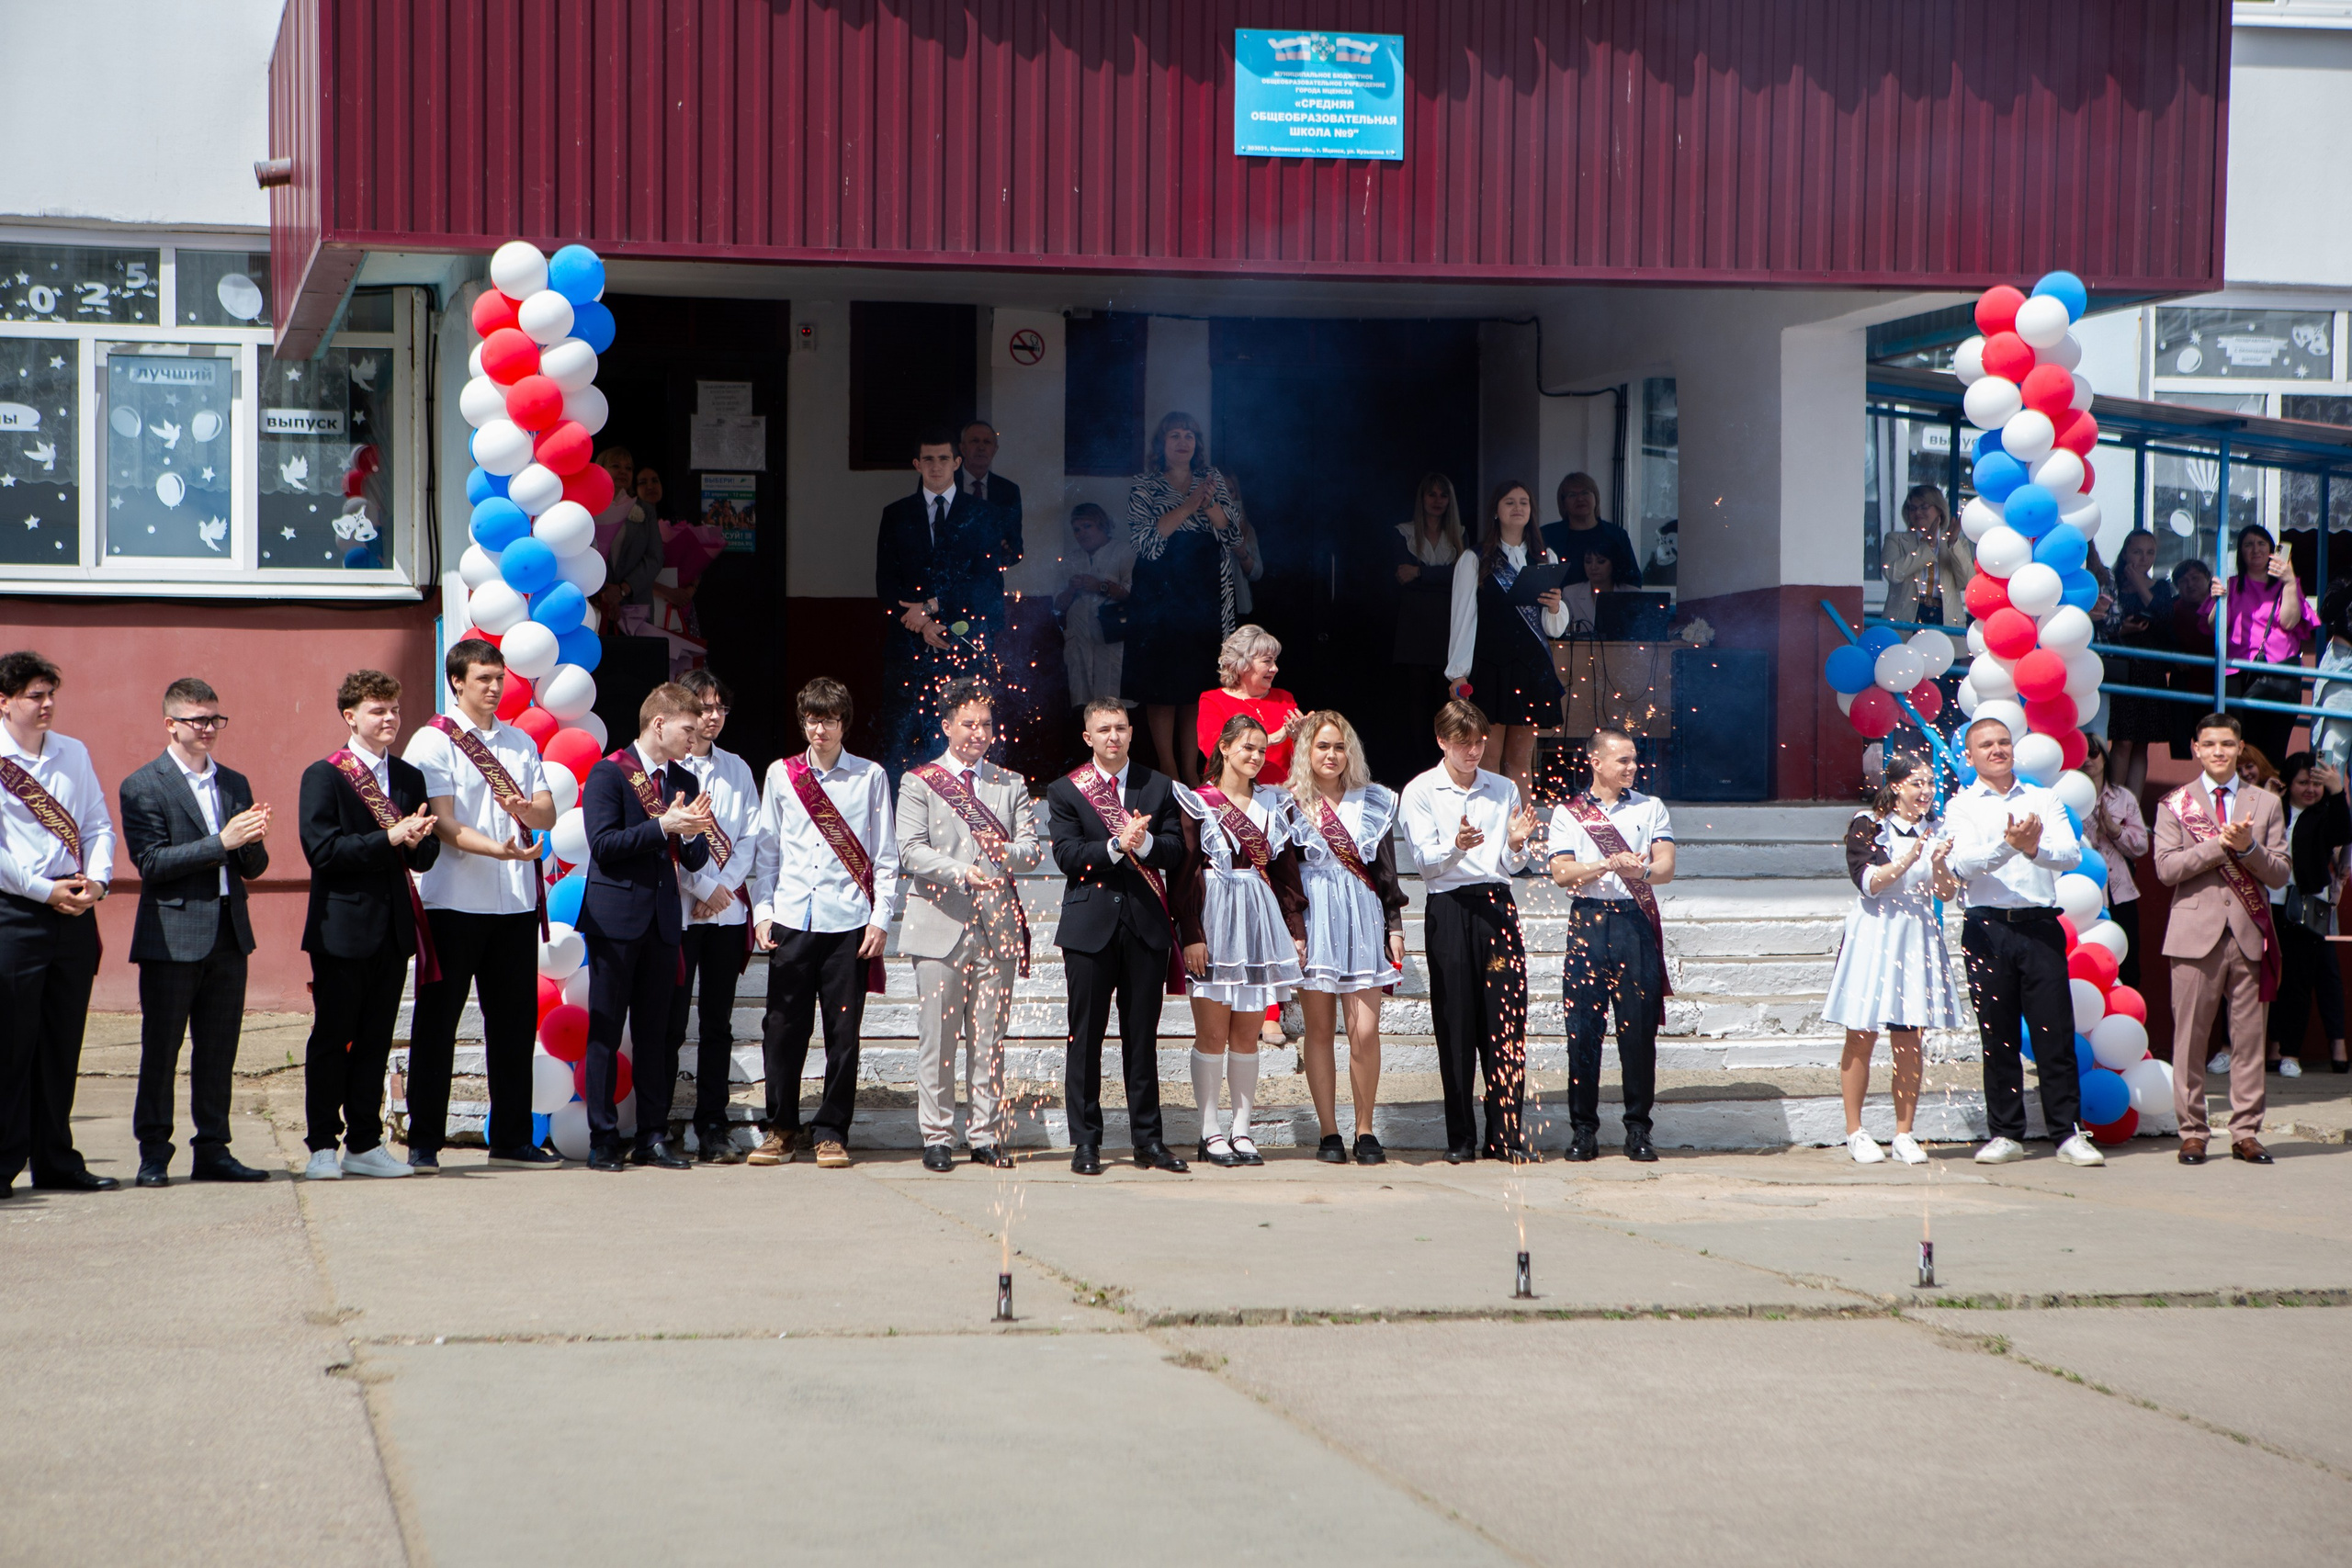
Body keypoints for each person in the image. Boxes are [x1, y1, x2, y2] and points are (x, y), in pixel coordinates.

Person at [401, 639, 560, 1172]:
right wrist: (500, 849)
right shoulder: (433, 740)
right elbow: (442, 822)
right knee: (438, 1022)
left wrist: (528, 813)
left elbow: (547, 812)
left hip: (513, 904)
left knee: (513, 1024)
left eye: (499, 678)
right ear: (456, 682)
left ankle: (512, 1137)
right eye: (482, 679)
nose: (494, 688)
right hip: (453, 902)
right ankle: (425, 1139)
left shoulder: (520, 741)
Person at [120, 677, 274, 1187]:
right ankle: (153, 1154)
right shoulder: (144, 784)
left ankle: (213, 1149)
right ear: (171, 724)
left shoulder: (234, 783)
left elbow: (253, 867)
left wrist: (251, 839)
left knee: (218, 1050)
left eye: (214, 719)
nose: (208, 728)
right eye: (197, 720)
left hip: (229, 932)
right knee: (161, 1049)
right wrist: (221, 841)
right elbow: (151, 862)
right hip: (171, 935)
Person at [748, 678, 897, 1170]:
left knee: (843, 1033)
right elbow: (768, 850)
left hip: (849, 922)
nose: (821, 730)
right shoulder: (781, 774)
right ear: (803, 722)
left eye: (830, 720)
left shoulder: (871, 776)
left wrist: (880, 918)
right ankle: (780, 1128)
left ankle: (831, 1131)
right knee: (782, 1030)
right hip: (792, 918)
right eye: (813, 720)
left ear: (843, 723)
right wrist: (763, 912)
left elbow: (885, 855)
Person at [297, 670, 440, 1181]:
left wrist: (418, 841)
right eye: (378, 711)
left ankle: (364, 1142)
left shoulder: (407, 777)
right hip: (341, 928)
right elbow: (323, 851)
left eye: (395, 710)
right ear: (350, 717)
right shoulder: (325, 774)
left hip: (392, 930)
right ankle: (321, 1145)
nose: (390, 719)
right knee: (333, 1038)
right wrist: (391, 837)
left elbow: (423, 855)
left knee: (377, 1040)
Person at [1945, 716, 2104, 1167]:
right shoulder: (1961, 806)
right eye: (1986, 745)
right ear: (1970, 755)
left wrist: (2033, 848)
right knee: (1997, 1036)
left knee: (2055, 1032)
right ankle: (2006, 1133)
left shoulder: (2042, 797)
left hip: (2039, 929)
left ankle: (2068, 1133)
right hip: (1987, 930)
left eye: (2003, 742)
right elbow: (1962, 865)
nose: (1997, 750)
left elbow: (2069, 853)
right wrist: (2010, 845)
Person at [896, 678, 1041, 1170]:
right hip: (940, 922)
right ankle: (937, 1136)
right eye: (968, 724)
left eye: (986, 724)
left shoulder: (1010, 782)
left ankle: (984, 1135)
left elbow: (1031, 850)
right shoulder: (919, 781)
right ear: (946, 725)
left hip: (996, 927)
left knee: (989, 1040)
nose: (979, 733)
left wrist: (1006, 852)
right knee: (937, 1039)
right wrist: (961, 872)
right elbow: (910, 851)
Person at [1046, 697, 1192, 1176]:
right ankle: (1086, 1143)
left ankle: (1148, 1141)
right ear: (1088, 737)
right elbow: (1068, 856)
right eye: (1105, 729)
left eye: (1122, 728)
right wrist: (1115, 844)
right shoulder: (1066, 789)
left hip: (1145, 926)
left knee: (1142, 1039)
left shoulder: (1159, 784)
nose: (1114, 736)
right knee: (1084, 1039)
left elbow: (1175, 850)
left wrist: (1144, 843)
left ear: (1132, 732)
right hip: (1088, 928)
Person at [577, 682, 716, 1173]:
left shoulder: (685, 780)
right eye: (687, 730)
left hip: (663, 920)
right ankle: (602, 1138)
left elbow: (694, 856)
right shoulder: (609, 772)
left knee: (656, 1034)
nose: (694, 740)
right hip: (615, 921)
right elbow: (603, 845)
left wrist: (692, 833)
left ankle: (652, 1136)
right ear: (659, 724)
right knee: (606, 1031)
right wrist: (663, 826)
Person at [0, 652, 119, 1199]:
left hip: (74, 909)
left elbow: (97, 825)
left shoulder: (74, 752)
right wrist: (41, 889)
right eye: (35, 695)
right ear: (5, 702)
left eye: (51, 694)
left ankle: (55, 1160)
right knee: (11, 1043)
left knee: (62, 1042)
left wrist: (97, 882)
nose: (47, 704)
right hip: (16, 912)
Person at [1400, 699, 1540, 1164]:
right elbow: (1425, 863)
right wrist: (1456, 847)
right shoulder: (1421, 790)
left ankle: (1505, 1134)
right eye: (1463, 743)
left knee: (1505, 1022)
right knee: (1455, 1021)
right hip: (1449, 907)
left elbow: (1509, 864)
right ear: (1442, 741)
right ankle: (1460, 1136)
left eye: (1479, 742)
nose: (1473, 752)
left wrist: (1516, 845)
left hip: (1496, 908)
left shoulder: (1502, 788)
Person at [2154, 712, 2291, 1166]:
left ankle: (2246, 1133)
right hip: (2194, 936)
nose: (2218, 752)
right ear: (2196, 749)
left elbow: (2280, 872)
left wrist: (2249, 848)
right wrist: (2219, 845)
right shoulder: (2175, 803)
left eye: (2227, 744)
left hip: (2250, 933)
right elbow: (2167, 869)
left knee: (2249, 1041)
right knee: (2190, 1041)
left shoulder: (2266, 803)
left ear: (2240, 748)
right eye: (2210, 744)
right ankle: (2193, 1133)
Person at [1175, 714, 1307, 1168]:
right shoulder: (1198, 802)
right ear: (1225, 747)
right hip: (1212, 918)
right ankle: (1209, 1130)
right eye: (1247, 747)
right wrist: (1191, 933)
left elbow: (1287, 873)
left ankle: (1242, 1130)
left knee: (1247, 1036)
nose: (1255, 756)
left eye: (1262, 750)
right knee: (1213, 1035)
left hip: (1257, 919)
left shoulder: (1273, 803)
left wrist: (1295, 927)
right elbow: (1185, 872)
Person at [1820, 756, 1961, 1165]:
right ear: (1896, 786)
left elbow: (1946, 892)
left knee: (1910, 1036)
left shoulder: (1937, 829)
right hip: (1875, 930)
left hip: (1916, 932)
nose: (1926, 791)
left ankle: (1904, 1133)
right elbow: (1869, 883)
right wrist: (1908, 858)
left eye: (1930, 782)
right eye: (1917, 782)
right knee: (1861, 1032)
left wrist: (1937, 862)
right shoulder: (1868, 824)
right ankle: (1855, 1131)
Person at [1546, 727, 1678, 1163]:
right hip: (1588, 922)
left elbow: (1665, 867)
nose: (1632, 767)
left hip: (1633, 922)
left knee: (1638, 1032)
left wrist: (1641, 872)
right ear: (1596, 762)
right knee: (1583, 1031)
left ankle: (1638, 1129)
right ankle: (1584, 1130)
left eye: (1634, 759)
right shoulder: (1568, 813)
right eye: (1623, 760)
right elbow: (1562, 873)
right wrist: (1606, 863)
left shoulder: (1650, 807)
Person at [1285, 711, 1408, 1165]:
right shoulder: (1289, 803)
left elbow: (1386, 869)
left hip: (1362, 913)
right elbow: (1285, 876)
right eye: (1323, 746)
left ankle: (1365, 1129)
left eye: (1339, 747)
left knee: (1365, 1031)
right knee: (1319, 1030)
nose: (1332, 755)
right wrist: (1294, 929)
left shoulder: (1372, 800)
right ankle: (1329, 1132)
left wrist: (1394, 924)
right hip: (1315, 914)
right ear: (1307, 751)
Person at [876, 430, 1010, 778]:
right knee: (903, 738)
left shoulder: (983, 514)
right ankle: (904, 809)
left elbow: (988, 582)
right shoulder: (896, 514)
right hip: (908, 644)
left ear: (957, 462)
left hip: (965, 642)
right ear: (917, 464)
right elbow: (886, 583)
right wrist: (922, 622)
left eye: (944, 459)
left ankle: (966, 807)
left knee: (965, 734)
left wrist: (932, 607)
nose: (936, 466)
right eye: (929, 459)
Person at [670, 668, 763, 1162]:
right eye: (703, 707)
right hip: (680, 913)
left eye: (719, 708)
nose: (712, 717)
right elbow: (667, 839)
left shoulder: (737, 768)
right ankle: (658, 1121)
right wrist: (702, 887)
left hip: (725, 915)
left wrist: (722, 888)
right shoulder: (665, 768)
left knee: (717, 1024)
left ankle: (712, 1125)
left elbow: (751, 835)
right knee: (670, 1020)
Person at [1125, 411, 1244, 787]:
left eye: (1189, 435)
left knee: (1196, 687)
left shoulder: (1213, 481)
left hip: (1205, 594)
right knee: (1162, 689)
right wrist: (1190, 505)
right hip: (1159, 597)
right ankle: (1169, 770)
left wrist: (1209, 505)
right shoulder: (1144, 484)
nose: (1183, 441)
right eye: (1174, 435)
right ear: (1162, 444)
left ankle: (1192, 769)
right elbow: (1146, 544)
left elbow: (1234, 535)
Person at [1447, 480, 1570, 807]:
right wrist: (1458, 672)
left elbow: (1553, 628)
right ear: (1496, 511)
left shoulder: (1545, 556)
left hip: (1530, 668)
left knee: (1520, 761)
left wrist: (1555, 606)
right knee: (1487, 759)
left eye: (1524, 502)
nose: (1518, 508)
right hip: (1491, 667)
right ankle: (1490, 831)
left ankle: (1520, 832)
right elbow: (1463, 617)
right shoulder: (1475, 559)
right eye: (1510, 502)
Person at [2205, 526, 2316, 770]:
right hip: (2237, 675)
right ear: (2240, 552)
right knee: (2242, 748)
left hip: (2280, 676)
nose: (2255, 550)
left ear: (2272, 551)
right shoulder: (2230, 585)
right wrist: (2218, 599)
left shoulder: (2287, 585)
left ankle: (2270, 793)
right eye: (2248, 544)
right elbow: (2215, 627)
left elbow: (2289, 622)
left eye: (2261, 544)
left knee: (2274, 749)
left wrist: (2289, 582)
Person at [2267, 752, 2350, 1076]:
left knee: (2299, 982)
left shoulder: (2324, 813)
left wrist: (2337, 791)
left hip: (2307, 907)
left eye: (2316, 784)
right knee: (2267, 980)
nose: (2310, 790)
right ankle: (2270, 1047)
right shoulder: (2275, 809)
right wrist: (2269, 800)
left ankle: (2291, 1053)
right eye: (2303, 783)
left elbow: (2343, 834)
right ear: (2288, 784)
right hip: (2271, 902)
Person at [1388, 472, 1466, 769]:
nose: (1437, 500)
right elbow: (1401, 576)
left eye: (1443, 495)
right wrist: (1442, 577)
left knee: (1445, 701)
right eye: (1431, 494)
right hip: (1414, 627)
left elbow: (1462, 578)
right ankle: (1418, 766)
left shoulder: (1459, 533)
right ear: (1422, 498)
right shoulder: (1403, 533)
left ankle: (1444, 763)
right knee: (1416, 703)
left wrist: (1421, 573)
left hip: (1447, 628)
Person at [2076, 737, 2150, 992]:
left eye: (2094, 752)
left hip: (2120, 894)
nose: (2087, 759)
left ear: (2105, 758)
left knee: (2128, 965)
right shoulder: (2067, 797)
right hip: (2082, 894)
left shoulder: (2123, 797)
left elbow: (2141, 846)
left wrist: (2113, 830)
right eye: (2082, 753)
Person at [2102, 531, 2170, 796]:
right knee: (2123, 740)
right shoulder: (2112, 585)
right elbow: (2101, 622)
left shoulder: (2161, 586)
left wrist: (2140, 583)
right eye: (2137, 552)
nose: (2144, 558)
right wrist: (2123, 630)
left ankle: (2133, 810)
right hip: (2122, 668)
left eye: (2150, 552)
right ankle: (2112, 803)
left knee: (2142, 743)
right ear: (2125, 553)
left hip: (2150, 670)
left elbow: (2164, 616)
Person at [1054, 502, 1133, 716]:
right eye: (1076, 529)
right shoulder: (1071, 559)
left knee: (1115, 704)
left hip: (1112, 639)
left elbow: (1133, 594)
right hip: (1079, 638)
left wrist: (1100, 586)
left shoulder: (1123, 552)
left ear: (1102, 525)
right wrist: (1072, 589)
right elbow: (1057, 606)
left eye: (1087, 526)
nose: (1081, 533)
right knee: (1083, 703)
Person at [956, 419, 1026, 622]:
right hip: (949, 587)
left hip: (988, 591)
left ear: (995, 450)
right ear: (962, 448)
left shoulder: (1008, 490)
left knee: (985, 640)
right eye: (974, 441)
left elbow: (1016, 544)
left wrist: (1005, 552)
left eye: (987, 442)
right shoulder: (944, 483)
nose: (981, 447)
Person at [1882, 485, 1973, 626]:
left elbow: (1968, 582)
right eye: (1912, 508)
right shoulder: (1896, 539)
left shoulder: (1956, 543)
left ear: (1939, 509)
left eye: (1924, 507)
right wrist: (1927, 548)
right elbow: (1892, 573)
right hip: (1907, 618)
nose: (1918, 512)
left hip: (1945, 618)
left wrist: (1953, 543)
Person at [1541, 471, 1640, 590]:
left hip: (1609, 600)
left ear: (1596, 498)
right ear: (1563, 503)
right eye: (1572, 495)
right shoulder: (1547, 535)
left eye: (1585, 493)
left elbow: (1633, 579)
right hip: (1560, 600)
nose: (1580, 499)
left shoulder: (1616, 535)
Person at [2164, 558, 2216, 761]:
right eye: (2183, 581)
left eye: (2195, 578)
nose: (2190, 584)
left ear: (2208, 579)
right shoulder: (2172, 609)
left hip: (2216, 684)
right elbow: (2163, 641)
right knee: (2182, 742)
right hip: (2185, 684)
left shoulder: (2220, 605)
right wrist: (2175, 655)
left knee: (2215, 745)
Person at [1560, 545, 1621, 633]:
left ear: (1614, 562)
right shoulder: (1570, 593)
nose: (1593, 567)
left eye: (1601, 561)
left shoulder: (1631, 592)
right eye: (1588, 562)